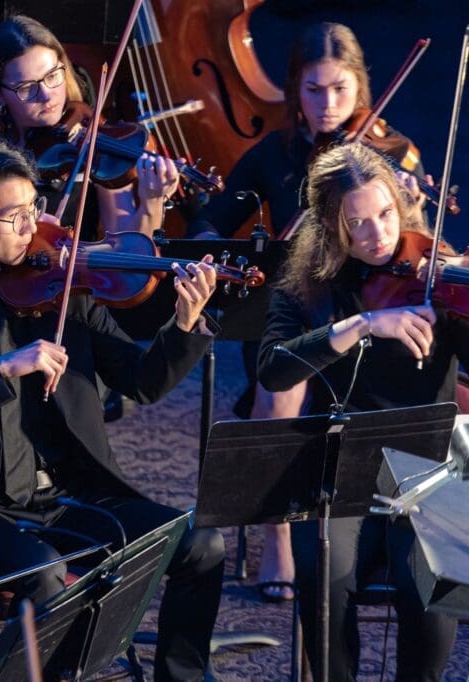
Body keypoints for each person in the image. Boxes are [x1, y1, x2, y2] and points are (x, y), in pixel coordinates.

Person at [0, 135, 225, 681]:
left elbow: (141, 383)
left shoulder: (62, 276)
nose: (30, 226)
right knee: (46, 575)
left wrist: (182, 327)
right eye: (13, 216)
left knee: (200, 544)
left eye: (33, 209)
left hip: (73, 496)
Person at [188, 22, 429, 602]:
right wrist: (240, 260)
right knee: (281, 391)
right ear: (294, 90)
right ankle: (279, 541)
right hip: (296, 316)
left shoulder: (387, 155)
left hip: (375, 313)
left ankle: (400, 533)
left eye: (341, 91)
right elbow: (207, 226)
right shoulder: (273, 154)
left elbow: (415, 244)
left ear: (361, 89)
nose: (328, 105)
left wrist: (415, 211)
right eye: (314, 90)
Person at [257, 142, 459, 681]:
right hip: (338, 467)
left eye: (386, 213)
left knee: (431, 579)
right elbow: (273, 368)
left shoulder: (436, 275)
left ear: (401, 203)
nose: (379, 235)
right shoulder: (308, 290)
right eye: (359, 223)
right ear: (332, 227)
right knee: (326, 575)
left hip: (426, 469)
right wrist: (364, 324)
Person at [0, 15, 181, 243]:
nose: (47, 95)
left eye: (52, 76)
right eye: (26, 87)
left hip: (73, 290)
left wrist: (151, 200)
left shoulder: (92, 138)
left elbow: (127, 249)